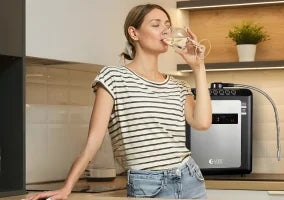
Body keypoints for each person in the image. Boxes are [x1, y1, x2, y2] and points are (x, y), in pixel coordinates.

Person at [25, 3, 212, 200]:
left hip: (189, 178)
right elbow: (93, 142)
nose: (165, 30)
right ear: (134, 33)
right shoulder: (113, 77)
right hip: (146, 185)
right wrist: (67, 187)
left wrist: (198, 67)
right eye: (156, 25)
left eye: (167, 25)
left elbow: (202, 122)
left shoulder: (178, 86)